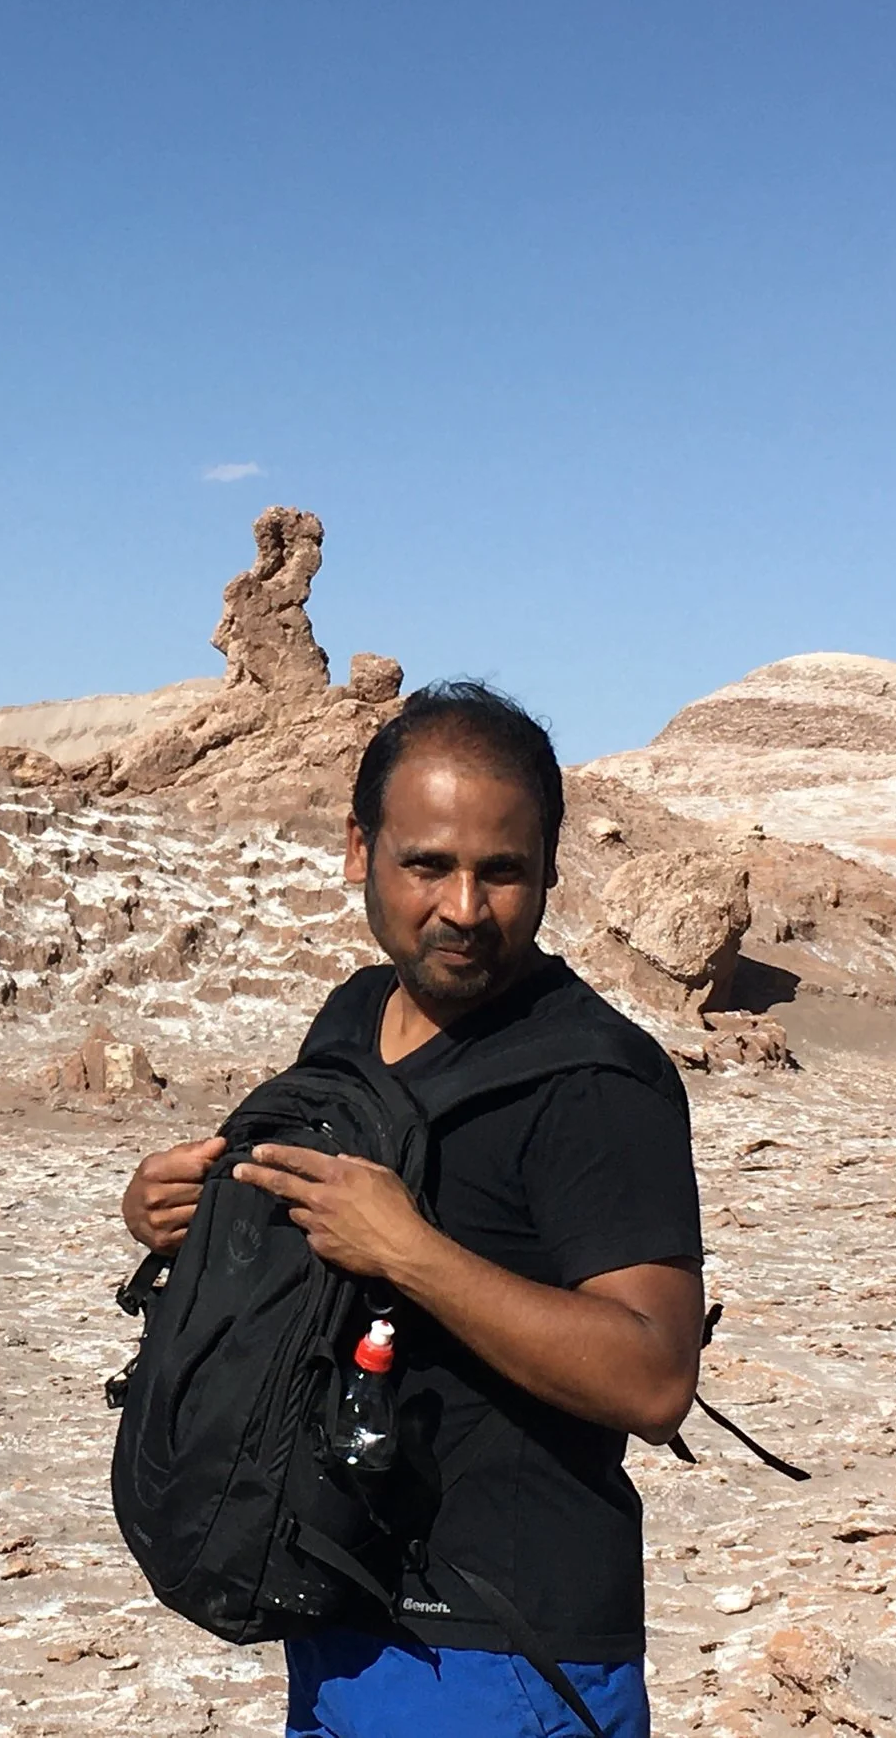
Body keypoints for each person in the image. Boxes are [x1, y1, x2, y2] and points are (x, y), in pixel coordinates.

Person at [121, 681, 703, 1738]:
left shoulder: (595, 1082)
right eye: (427, 864)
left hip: (509, 1654)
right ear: (360, 850)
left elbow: (654, 1377)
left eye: (503, 871)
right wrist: (180, 1215)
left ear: (551, 870)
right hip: (338, 1607)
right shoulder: (351, 1018)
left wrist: (413, 1254)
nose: (464, 910)